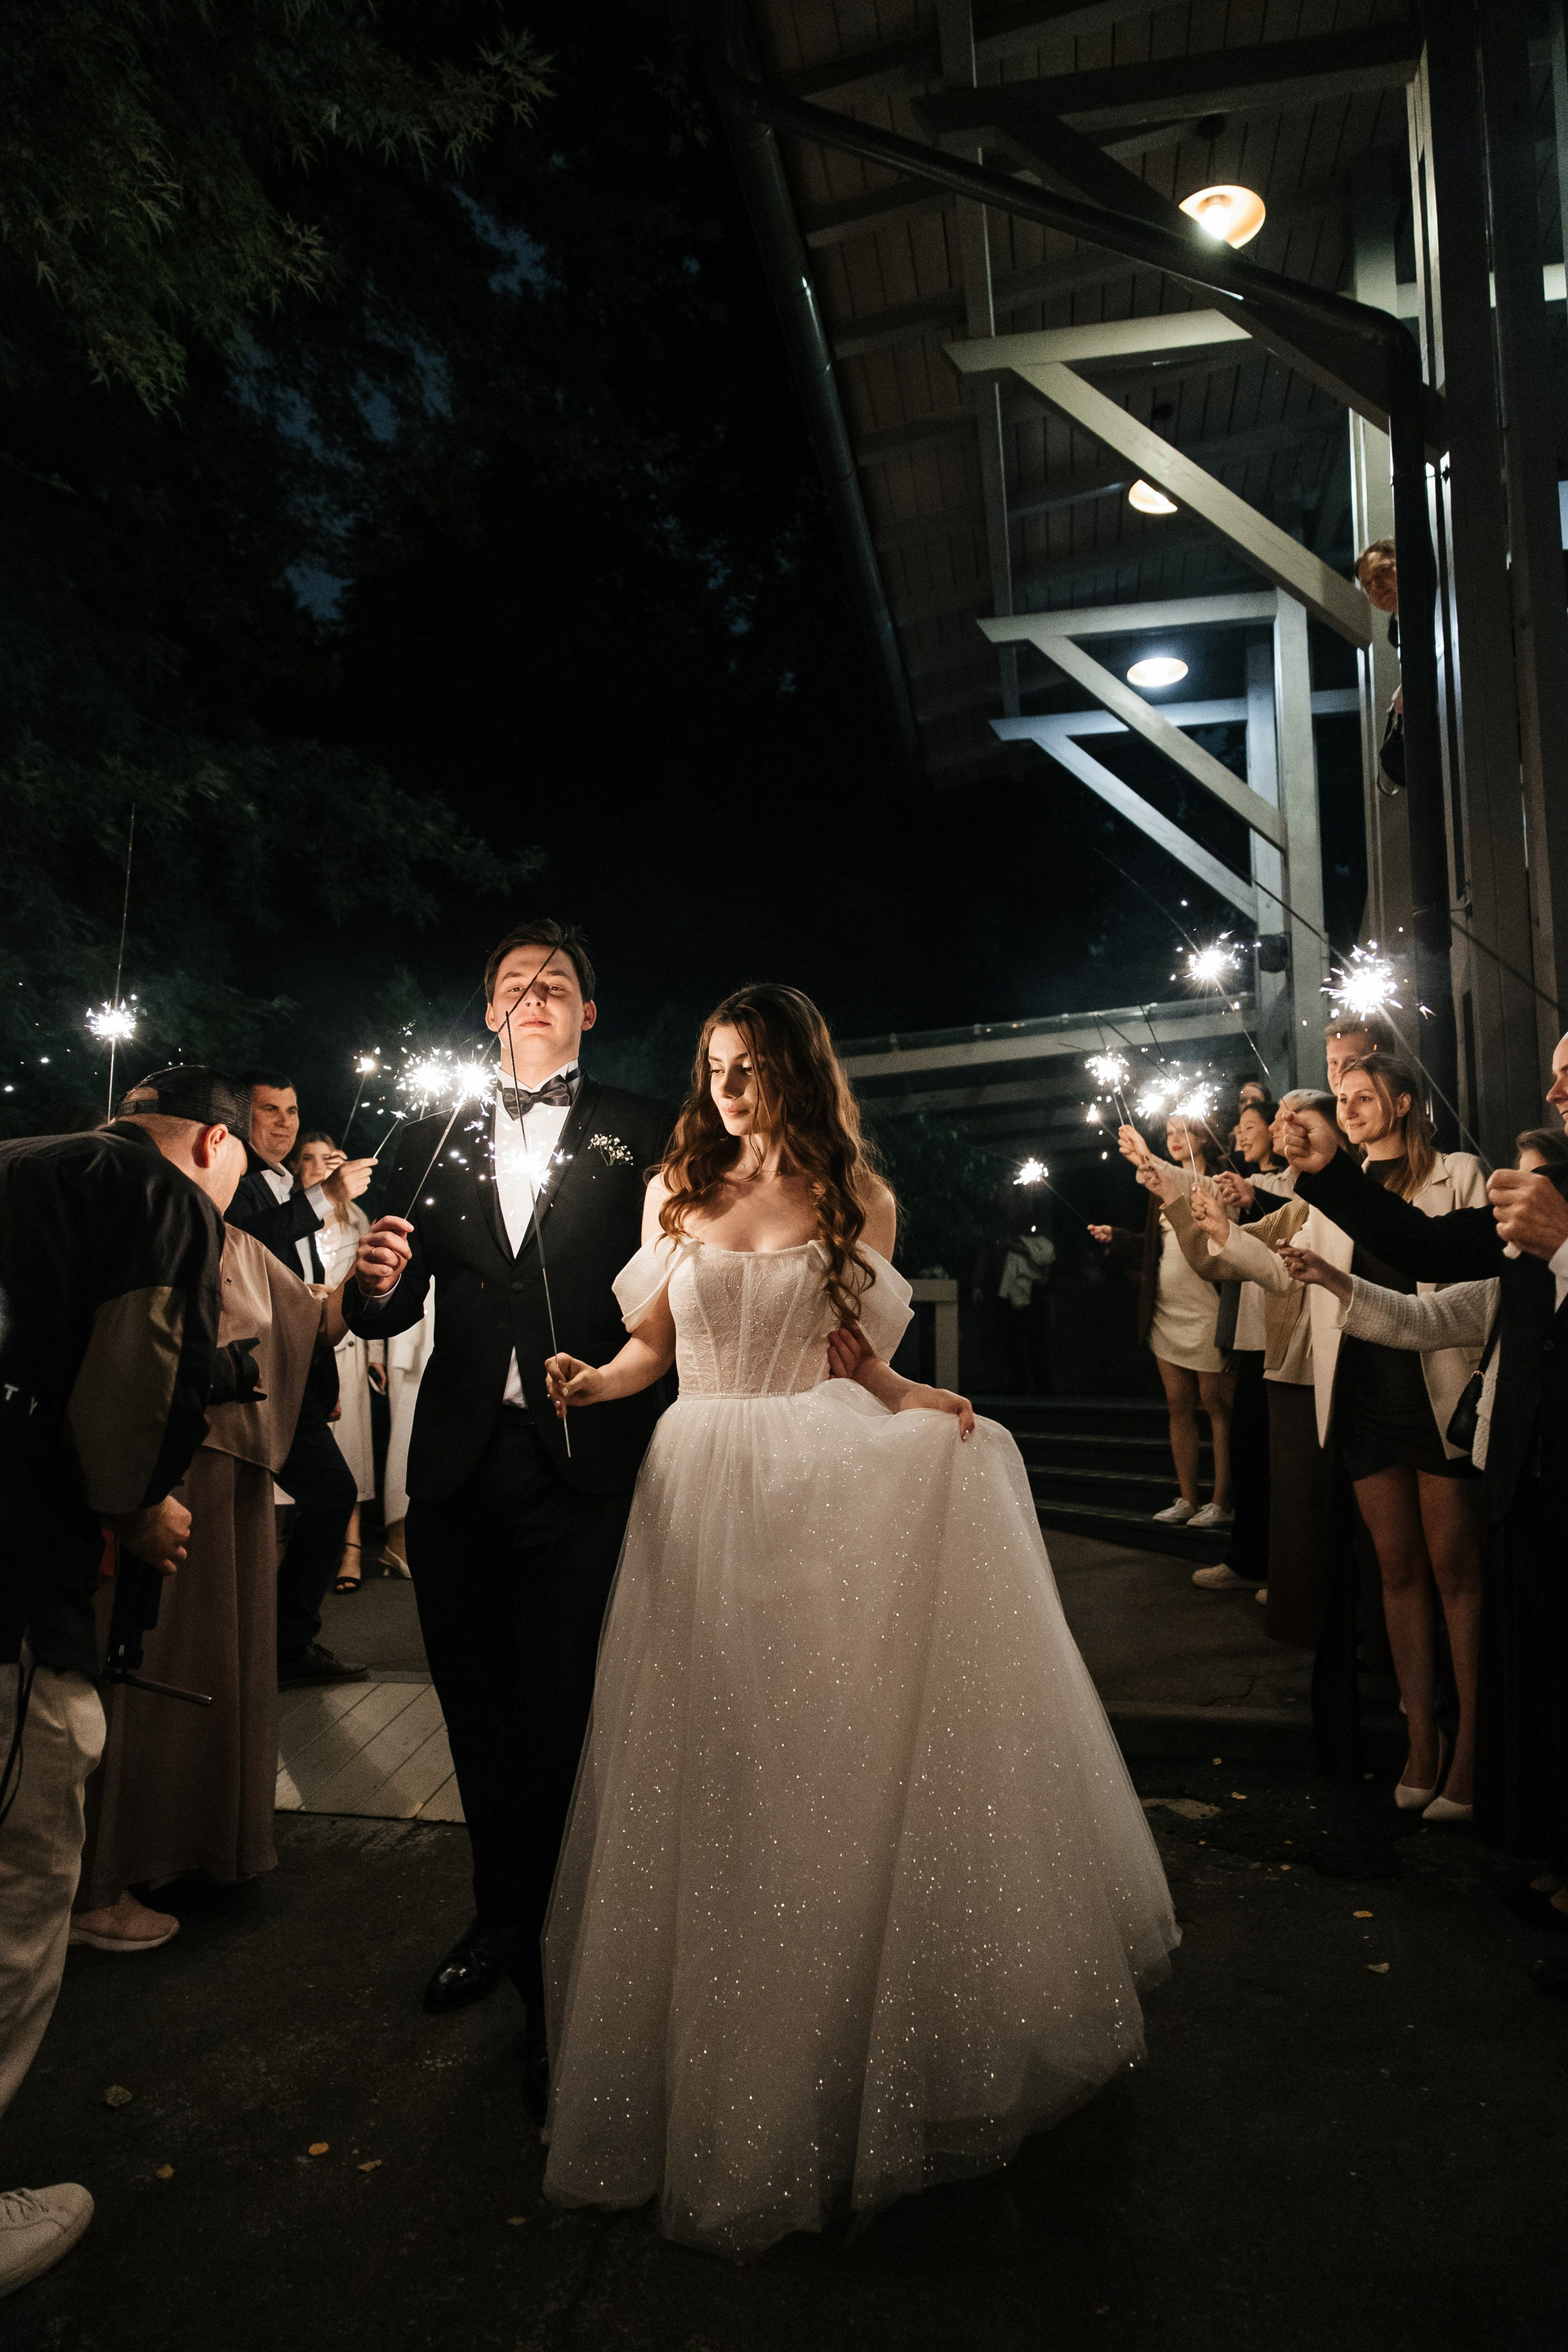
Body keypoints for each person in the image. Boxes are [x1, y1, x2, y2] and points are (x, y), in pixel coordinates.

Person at [537, 985, 1177, 2256]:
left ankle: (829, 2058)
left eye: (748, 1067)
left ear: (795, 1070)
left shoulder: (857, 1200)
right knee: (706, 1762)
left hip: (812, 1486)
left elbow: (861, 1363)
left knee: (810, 1764)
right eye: (714, 1066)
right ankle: (713, 2055)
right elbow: (652, 1352)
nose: (726, 1089)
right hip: (696, 1478)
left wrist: (923, 1403)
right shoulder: (676, 1194)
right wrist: (592, 1380)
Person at [344, 921, 672, 2105]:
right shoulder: (427, 1134)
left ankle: (570, 1971)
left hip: (586, 1465)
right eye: (515, 984)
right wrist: (371, 1286)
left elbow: (679, 1294)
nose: (535, 994)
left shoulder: (646, 1127)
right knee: (477, 1715)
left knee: (566, 1720)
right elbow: (383, 1309)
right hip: (458, 1473)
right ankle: (499, 1919)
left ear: (589, 1013)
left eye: (558, 983)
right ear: (489, 1012)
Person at [0, 1066, 243, 2295]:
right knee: (18, 1891)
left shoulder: (19, 1158)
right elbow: (135, 1383)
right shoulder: (157, 1195)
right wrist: (141, 1507)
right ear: (211, 1144)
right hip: (12, 1592)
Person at [1284, 1043, 1568, 1999]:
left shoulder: (1523, 1192)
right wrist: (1328, 1176)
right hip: (1529, 1465)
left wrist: (1566, 1243)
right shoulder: (1539, 1196)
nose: (1553, 1087)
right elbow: (1436, 1268)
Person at [1196, 1057, 1487, 1812]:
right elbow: (1286, 1271)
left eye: (1364, 1097)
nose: (1350, 1108)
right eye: (1344, 1098)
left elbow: (1469, 1280)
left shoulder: (1458, 1173)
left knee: (1457, 1573)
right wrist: (1217, 1227)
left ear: (1404, 1102)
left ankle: (1476, 1745)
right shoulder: (1333, 1187)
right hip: (1363, 1394)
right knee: (1396, 1569)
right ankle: (1421, 1737)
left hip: (1436, 1392)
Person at [71, 1215, 345, 1946]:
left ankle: (181, 1848)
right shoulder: (137, 1222)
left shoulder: (234, 1240)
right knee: (134, 1665)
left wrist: (369, 1280)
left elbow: (309, 1317)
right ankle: (96, 1879)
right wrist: (134, 1499)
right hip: (155, 1476)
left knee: (212, 1662)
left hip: (229, 1474)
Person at [228, 1074, 372, 1685]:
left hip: (295, 1375)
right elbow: (243, 1241)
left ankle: (278, 1643)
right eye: (270, 1110)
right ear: (241, 1117)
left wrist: (322, 1377)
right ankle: (274, 1644)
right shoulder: (236, 1180)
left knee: (327, 1496)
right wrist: (325, 1195)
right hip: (248, 1377)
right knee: (318, 1497)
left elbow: (299, 1284)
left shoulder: (287, 1186)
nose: (284, 1122)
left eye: (291, 1109)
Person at [1091, 1109, 1233, 1530]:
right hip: (1167, 1306)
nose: (1173, 1137)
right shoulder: (1158, 1184)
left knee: (1218, 1405)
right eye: (1168, 1132)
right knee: (1178, 1404)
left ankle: (1222, 1501)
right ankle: (1188, 1498)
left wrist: (1144, 1157)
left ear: (1203, 1136)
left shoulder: (1220, 1180)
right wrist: (1119, 1237)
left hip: (1208, 1303)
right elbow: (1157, 1242)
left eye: (1182, 1131)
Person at [292, 1131, 374, 1593]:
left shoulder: (355, 1218)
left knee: (348, 1455)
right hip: (297, 1341)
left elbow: (371, 1282)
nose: (320, 1166)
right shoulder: (287, 1213)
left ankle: (351, 1549)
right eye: (310, 1158)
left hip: (344, 1342)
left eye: (329, 1159)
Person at [1354, 537, 1404, 787]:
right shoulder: (1396, 630)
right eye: (1367, 584)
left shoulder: (1439, 606)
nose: (1376, 587)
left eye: (1383, 572)